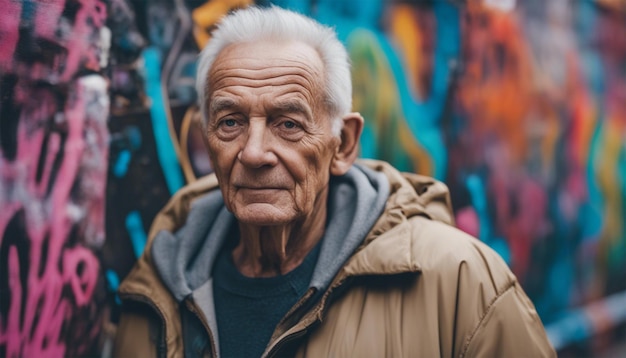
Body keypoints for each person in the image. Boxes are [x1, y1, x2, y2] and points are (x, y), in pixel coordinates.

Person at [114, 5, 556, 357]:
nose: (253, 152)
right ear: (207, 140)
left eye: (287, 124)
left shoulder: (459, 284)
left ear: (342, 145)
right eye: (230, 122)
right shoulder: (156, 290)